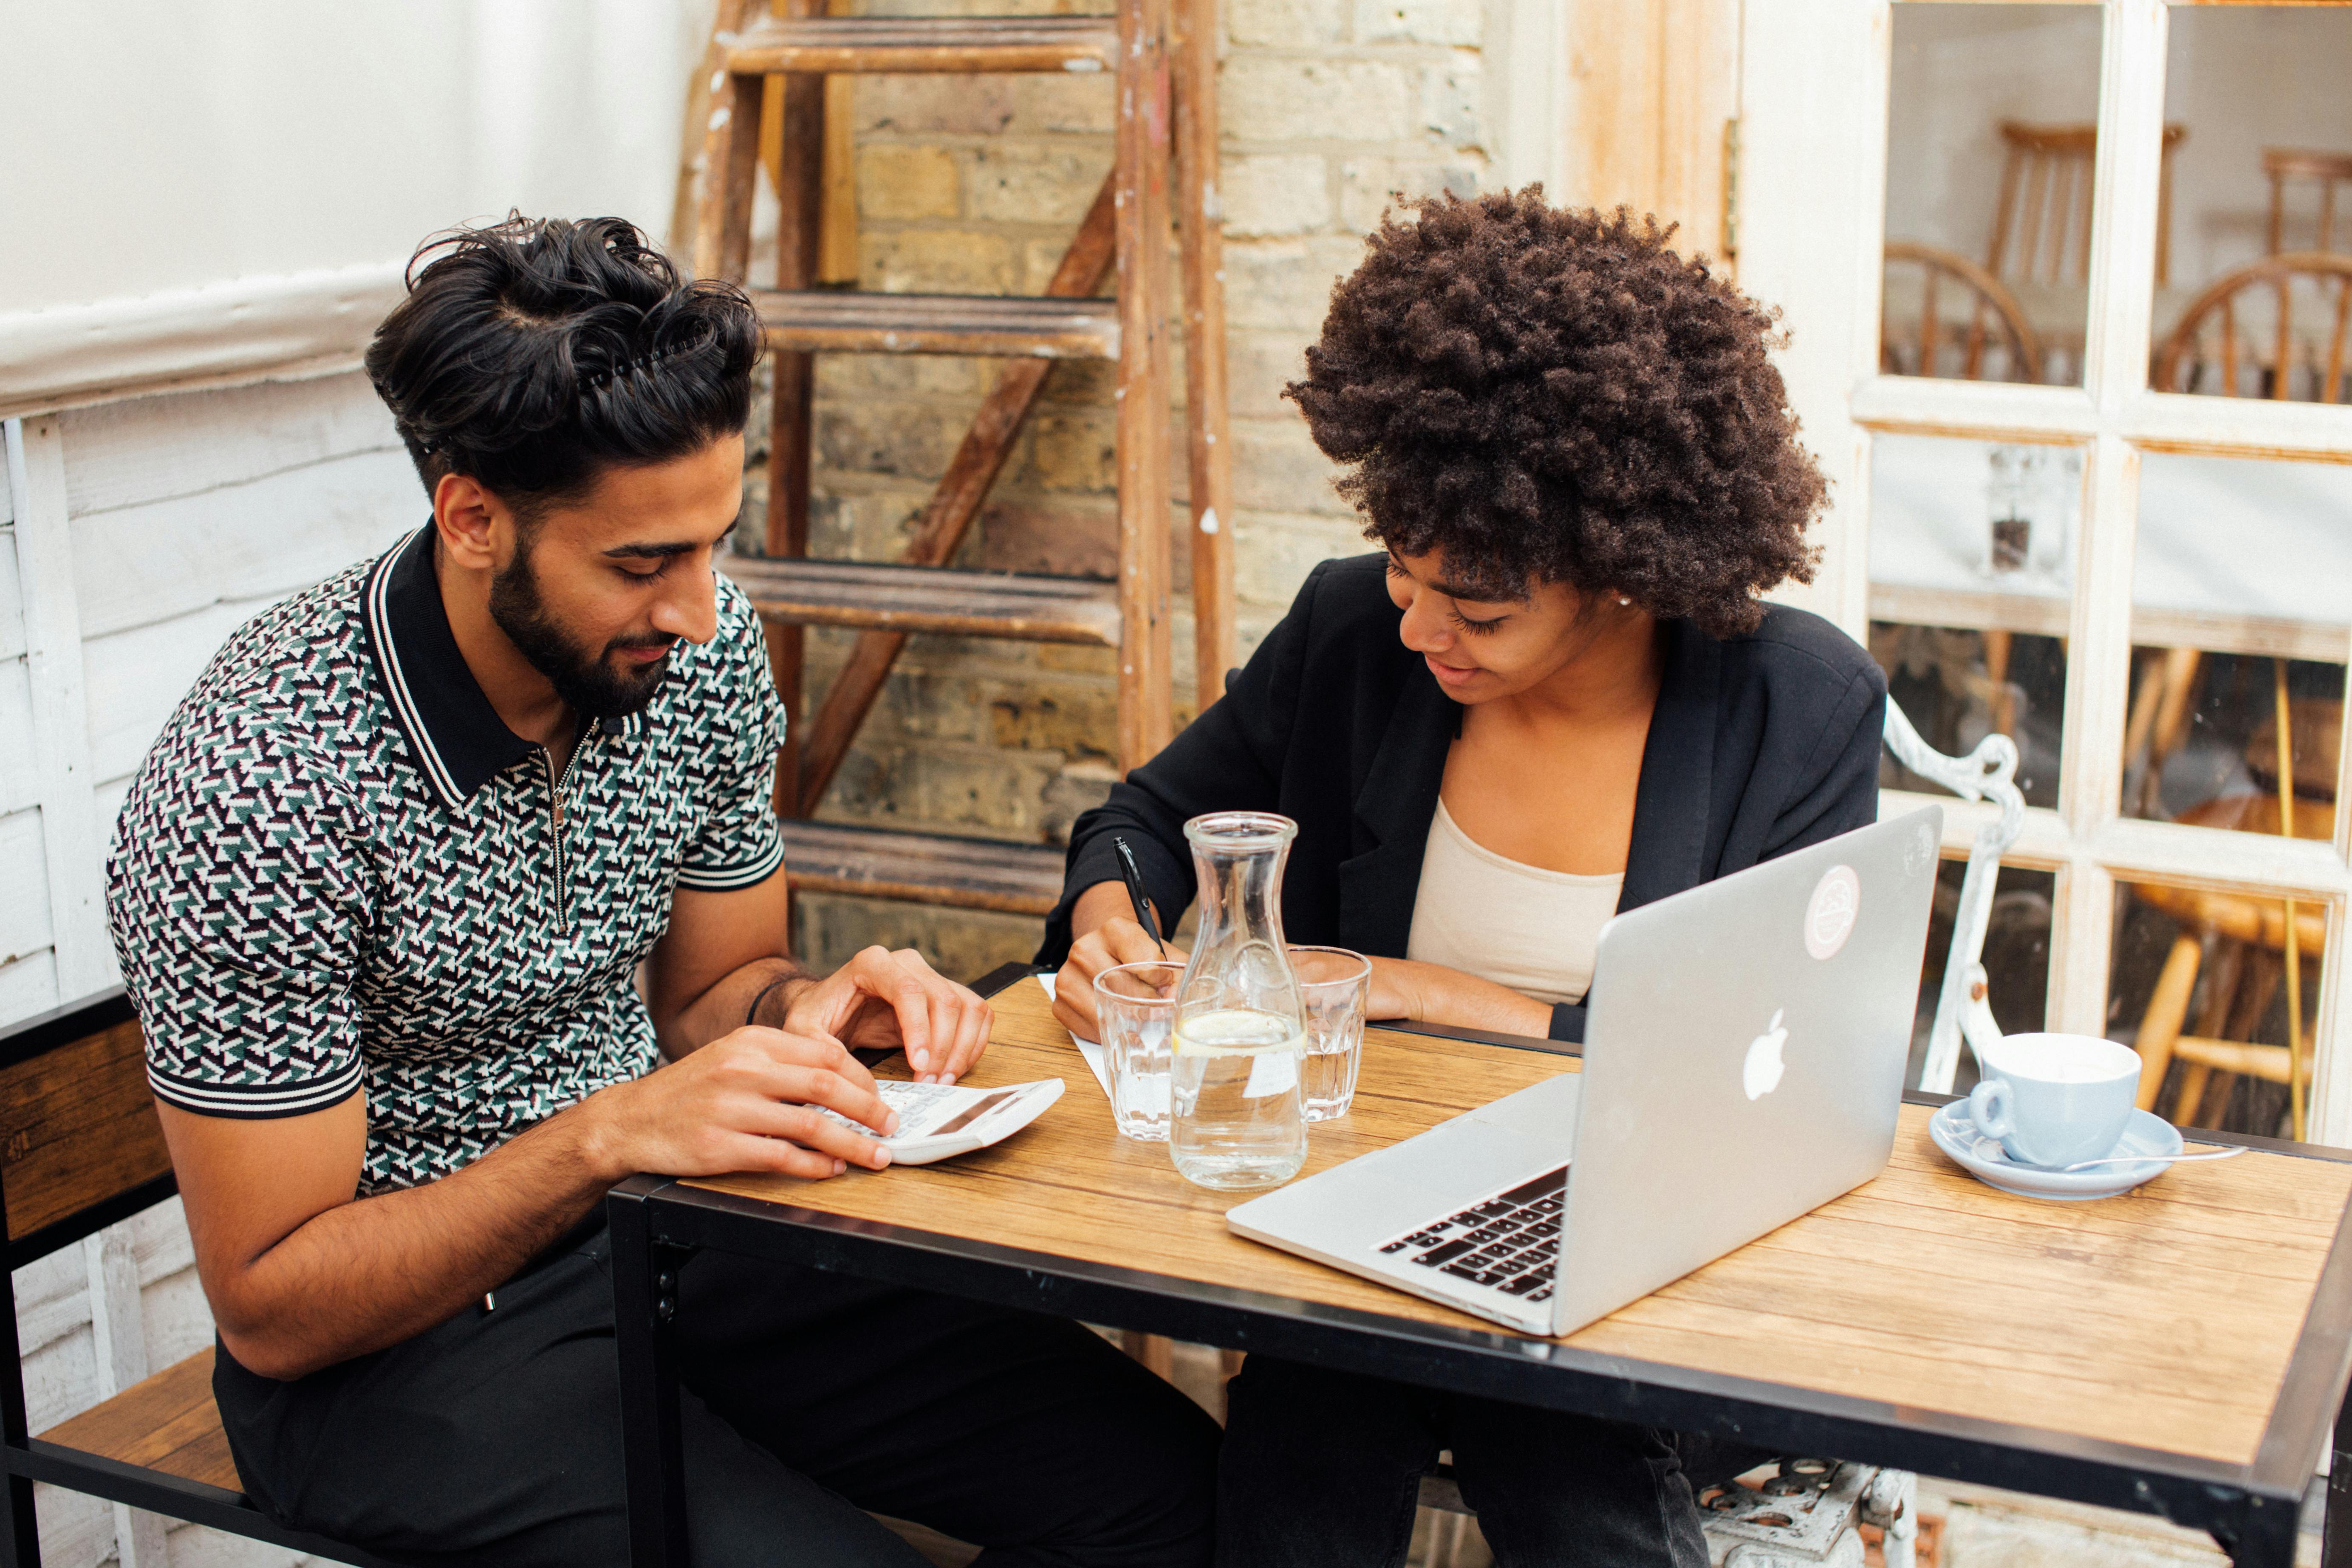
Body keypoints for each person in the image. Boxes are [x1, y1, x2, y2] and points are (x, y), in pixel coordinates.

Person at [106, 215, 1219, 1568]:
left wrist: (816, 1008)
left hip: (682, 1232)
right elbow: (277, 1305)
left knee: (1185, 1502)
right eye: (642, 563)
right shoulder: (260, 779)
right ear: (472, 518)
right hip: (397, 1365)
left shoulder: (697, 649)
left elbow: (708, 994)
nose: (699, 609)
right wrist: (606, 1134)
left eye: (713, 543)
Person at [1040, 192, 1886, 1568]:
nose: (1420, 624)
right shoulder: (1352, 636)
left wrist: (1424, 991)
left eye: (1480, 609)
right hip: (1351, 1231)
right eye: (1404, 569)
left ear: (1620, 572)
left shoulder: (1794, 707)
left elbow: (1777, 1088)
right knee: (1322, 1423)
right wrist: (1108, 921)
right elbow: (1140, 818)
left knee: (1539, 1416)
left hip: (1635, 1254)